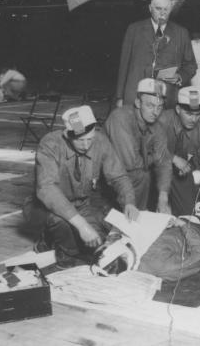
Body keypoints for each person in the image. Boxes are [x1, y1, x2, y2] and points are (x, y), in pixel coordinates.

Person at [24, 106, 139, 269]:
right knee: (65, 232)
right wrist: (82, 225)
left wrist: (129, 201)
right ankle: (54, 245)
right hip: (45, 208)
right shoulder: (50, 144)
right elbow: (47, 189)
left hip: (81, 205)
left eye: (89, 139)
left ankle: (61, 242)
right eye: (80, 140)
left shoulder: (100, 141)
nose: (86, 145)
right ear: (67, 135)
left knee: (98, 242)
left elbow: (118, 176)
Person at [95, 217, 200, 281]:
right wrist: (184, 227)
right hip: (196, 236)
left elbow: (117, 229)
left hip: (170, 225)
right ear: (123, 256)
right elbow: (199, 254)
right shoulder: (160, 266)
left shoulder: (124, 250)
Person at [115, 0, 197, 109]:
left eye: (166, 9)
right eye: (158, 9)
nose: (162, 14)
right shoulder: (134, 30)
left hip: (166, 99)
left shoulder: (181, 33)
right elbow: (124, 65)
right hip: (135, 96)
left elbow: (191, 65)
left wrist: (180, 77)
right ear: (150, 8)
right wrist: (120, 97)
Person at [104, 78, 172, 213]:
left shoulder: (157, 126)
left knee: (144, 175)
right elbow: (130, 163)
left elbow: (164, 162)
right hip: (105, 176)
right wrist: (154, 157)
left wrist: (163, 197)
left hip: (131, 175)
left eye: (159, 107)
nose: (155, 112)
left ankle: (136, 216)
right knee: (141, 175)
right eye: (150, 106)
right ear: (137, 103)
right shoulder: (120, 117)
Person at [158, 86, 200, 221]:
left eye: (198, 114)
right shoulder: (162, 120)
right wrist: (173, 158)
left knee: (186, 215)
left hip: (178, 175)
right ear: (178, 109)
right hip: (153, 170)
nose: (194, 119)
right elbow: (147, 150)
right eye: (189, 114)